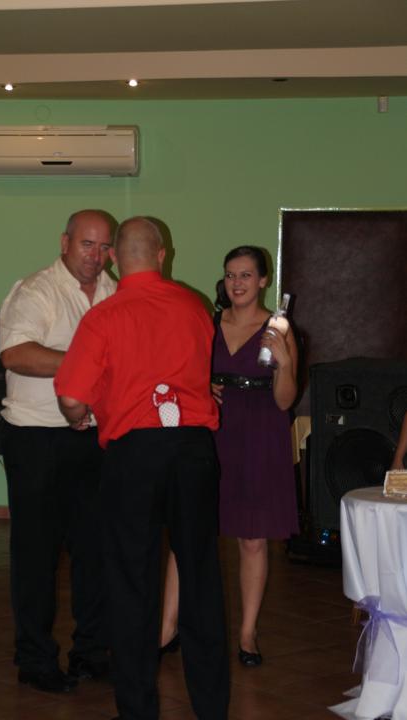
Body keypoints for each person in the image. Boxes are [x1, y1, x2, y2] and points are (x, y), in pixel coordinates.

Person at [54, 217, 230, 720]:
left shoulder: (104, 317)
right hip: (194, 450)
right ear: (161, 255)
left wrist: (79, 416)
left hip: (134, 454)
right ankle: (212, 708)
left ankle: (137, 710)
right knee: (200, 576)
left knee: (131, 582)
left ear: (114, 258)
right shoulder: (195, 306)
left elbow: (71, 397)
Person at [160, 245, 299, 667]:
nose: (237, 283)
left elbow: (285, 400)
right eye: (231, 275)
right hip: (210, 430)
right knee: (188, 530)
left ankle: (247, 633)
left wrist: (284, 362)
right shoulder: (207, 321)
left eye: (246, 275)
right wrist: (202, 385)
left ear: (263, 280)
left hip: (260, 433)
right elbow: (181, 374)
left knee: (252, 540)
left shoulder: (280, 328)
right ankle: (167, 626)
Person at [0, 209, 116, 693]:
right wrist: (84, 364)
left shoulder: (114, 292)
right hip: (36, 439)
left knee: (95, 550)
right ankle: (35, 659)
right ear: (65, 243)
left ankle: (91, 652)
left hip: (94, 438)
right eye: (87, 244)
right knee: (37, 554)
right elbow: (15, 354)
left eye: (104, 246)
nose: (96, 255)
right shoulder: (36, 290)